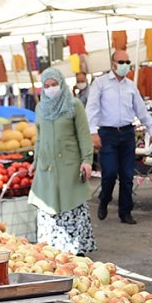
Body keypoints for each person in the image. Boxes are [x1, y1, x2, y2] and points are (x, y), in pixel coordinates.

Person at [29, 67, 96, 256]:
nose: (50, 89)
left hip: (70, 167)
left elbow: (84, 135)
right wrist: (35, 161)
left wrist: (87, 160)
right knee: (48, 206)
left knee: (71, 205)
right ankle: (52, 250)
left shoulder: (74, 105)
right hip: (46, 168)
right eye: (46, 85)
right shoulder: (40, 108)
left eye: (54, 84)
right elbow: (40, 137)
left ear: (62, 84)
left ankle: (76, 249)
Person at [86, 49, 152, 224]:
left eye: (127, 62)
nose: (125, 65)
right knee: (109, 173)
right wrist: (92, 132)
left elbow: (141, 109)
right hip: (107, 133)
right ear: (112, 63)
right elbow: (92, 108)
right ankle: (104, 198)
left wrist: (151, 129)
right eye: (121, 62)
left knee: (127, 176)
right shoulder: (100, 83)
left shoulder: (131, 85)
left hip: (127, 133)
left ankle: (125, 212)